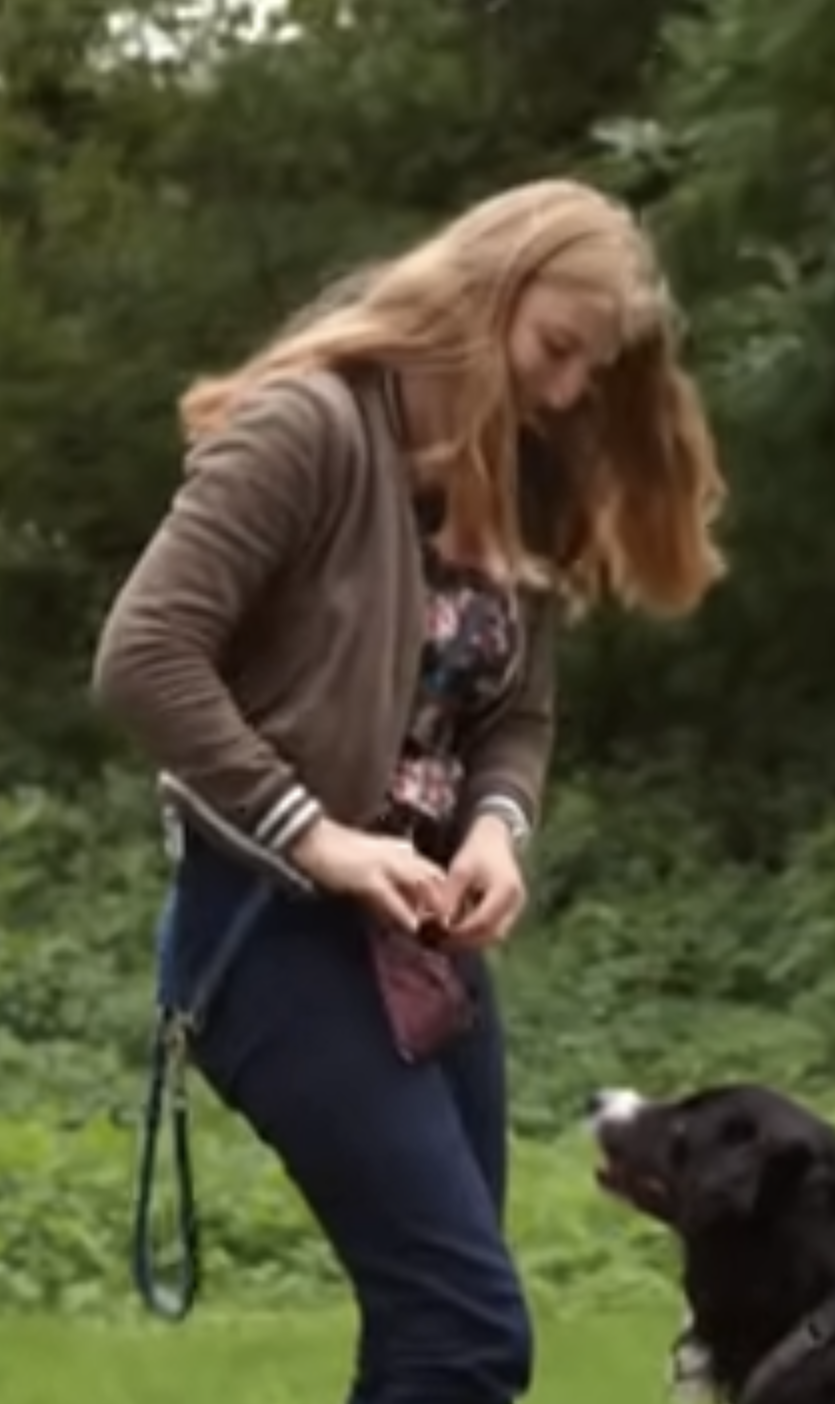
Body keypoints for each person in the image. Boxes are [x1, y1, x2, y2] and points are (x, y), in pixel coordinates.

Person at [90, 177, 727, 1404]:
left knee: (435, 1333)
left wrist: (496, 827)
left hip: (427, 950)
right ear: (487, 289)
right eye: (554, 349)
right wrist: (316, 836)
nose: (565, 393)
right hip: (272, 933)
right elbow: (143, 655)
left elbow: (515, 715)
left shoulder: (513, 478)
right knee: (465, 1329)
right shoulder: (310, 429)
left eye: (589, 371)